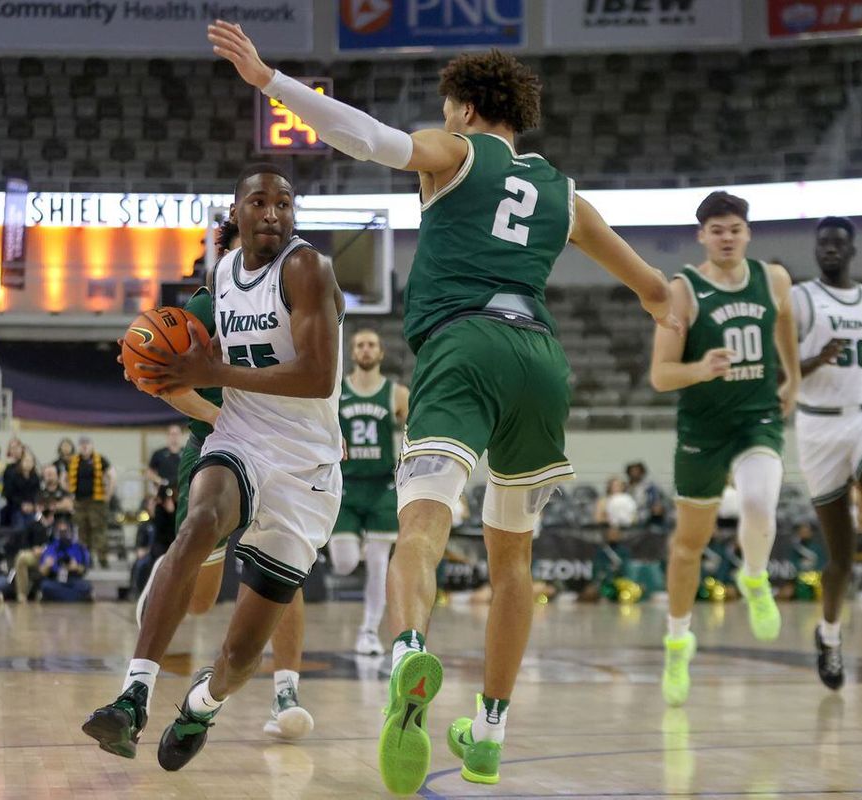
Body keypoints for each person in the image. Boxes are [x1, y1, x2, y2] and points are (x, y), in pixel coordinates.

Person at [208, 24, 676, 791]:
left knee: (420, 530)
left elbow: (366, 137)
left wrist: (270, 81)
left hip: (464, 347)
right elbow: (654, 291)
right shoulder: (563, 193)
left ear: (461, 107)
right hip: (540, 359)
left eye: (445, 107)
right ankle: (489, 730)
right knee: (512, 556)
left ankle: (409, 651)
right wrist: (675, 308)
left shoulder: (457, 152)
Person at [82, 163, 344, 771]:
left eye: (284, 202)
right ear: (236, 212)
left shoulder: (308, 268)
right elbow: (189, 357)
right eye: (259, 201)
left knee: (241, 652)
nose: (273, 212)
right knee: (199, 522)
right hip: (242, 439)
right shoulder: (221, 274)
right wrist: (151, 366)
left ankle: (202, 704)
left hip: (307, 469)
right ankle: (133, 695)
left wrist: (212, 374)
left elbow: (316, 377)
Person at [132, 215, 314, 741]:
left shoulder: (294, 299)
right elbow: (168, 387)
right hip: (214, 449)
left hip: (282, 455)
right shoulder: (203, 306)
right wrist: (224, 418)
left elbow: (316, 380)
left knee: (284, 573)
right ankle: (169, 571)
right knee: (202, 600)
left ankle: (286, 695)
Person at [650, 191, 801, 707]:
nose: (726, 237)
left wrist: (793, 376)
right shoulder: (683, 290)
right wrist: (701, 368)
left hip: (757, 418)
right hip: (703, 427)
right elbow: (660, 375)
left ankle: (754, 577)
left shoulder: (773, 278)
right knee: (688, 545)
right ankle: (677, 640)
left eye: (734, 228)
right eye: (716, 230)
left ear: (748, 232)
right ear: (702, 236)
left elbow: (784, 320)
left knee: (761, 502)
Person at [792, 216, 862, 688]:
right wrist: (818, 357)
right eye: (823, 245)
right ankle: (830, 635)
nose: (830, 250)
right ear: (817, 251)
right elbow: (781, 367)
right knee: (842, 558)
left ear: (852, 250)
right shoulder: (800, 299)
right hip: (817, 426)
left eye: (838, 244)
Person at [330, 328, 409, 656]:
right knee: (344, 563)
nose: (365, 349)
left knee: (379, 563)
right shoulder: (336, 391)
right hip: (347, 487)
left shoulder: (397, 394)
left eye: (371, 344)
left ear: (381, 353)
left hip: (381, 487)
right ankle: (361, 544)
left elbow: (411, 436)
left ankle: (368, 632)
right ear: (352, 352)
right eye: (360, 344)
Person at [65, 436, 112, 567]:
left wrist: (109, 494)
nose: (84, 447)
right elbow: (65, 478)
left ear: (92, 445)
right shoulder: (74, 461)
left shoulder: (100, 459)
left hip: (96, 502)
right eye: (82, 444)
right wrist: (68, 493)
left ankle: (103, 559)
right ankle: (86, 559)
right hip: (80, 502)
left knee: (99, 531)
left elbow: (111, 475)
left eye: (87, 444)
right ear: (79, 447)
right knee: (82, 531)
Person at [38, 512, 93, 602]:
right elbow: (42, 571)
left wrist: (76, 567)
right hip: (55, 579)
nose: (63, 533)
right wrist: (47, 566)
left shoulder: (79, 547)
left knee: (86, 586)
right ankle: (73, 598)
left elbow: (84, 568)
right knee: (45, 586)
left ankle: (60, 598)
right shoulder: (50, 547)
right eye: (60, 531)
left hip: (73, 579)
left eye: (65, 531)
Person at [2, 450, 40, 529]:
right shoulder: (14, 476)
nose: (28, 463)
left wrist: (32, 504)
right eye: (26, 461)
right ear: (21, 462)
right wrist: (21, 505)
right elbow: (10, 494)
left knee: (34, 523)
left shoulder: (35, 477)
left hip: (31, 507)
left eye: (30, 461)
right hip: (16, 507)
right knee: (19, 525)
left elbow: (37, 493)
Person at [625, 461, 667, 532]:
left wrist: (658, 506)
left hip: (648, 515)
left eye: (637, 471)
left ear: (642, 472)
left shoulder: (650, 487)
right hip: (630, 516)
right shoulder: (625, 488)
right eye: (632, 471)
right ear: (628, 473)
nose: (635, 473)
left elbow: (660, 500)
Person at [147, 425, 185, 492]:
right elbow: (149, 472)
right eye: (172, 434)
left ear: (181, 435)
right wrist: (159, 481)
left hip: (182, 490)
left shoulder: (186, 453)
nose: (174, 437)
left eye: (177, 434)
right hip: (164, 490)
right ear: (167, 436)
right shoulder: (159, 453)